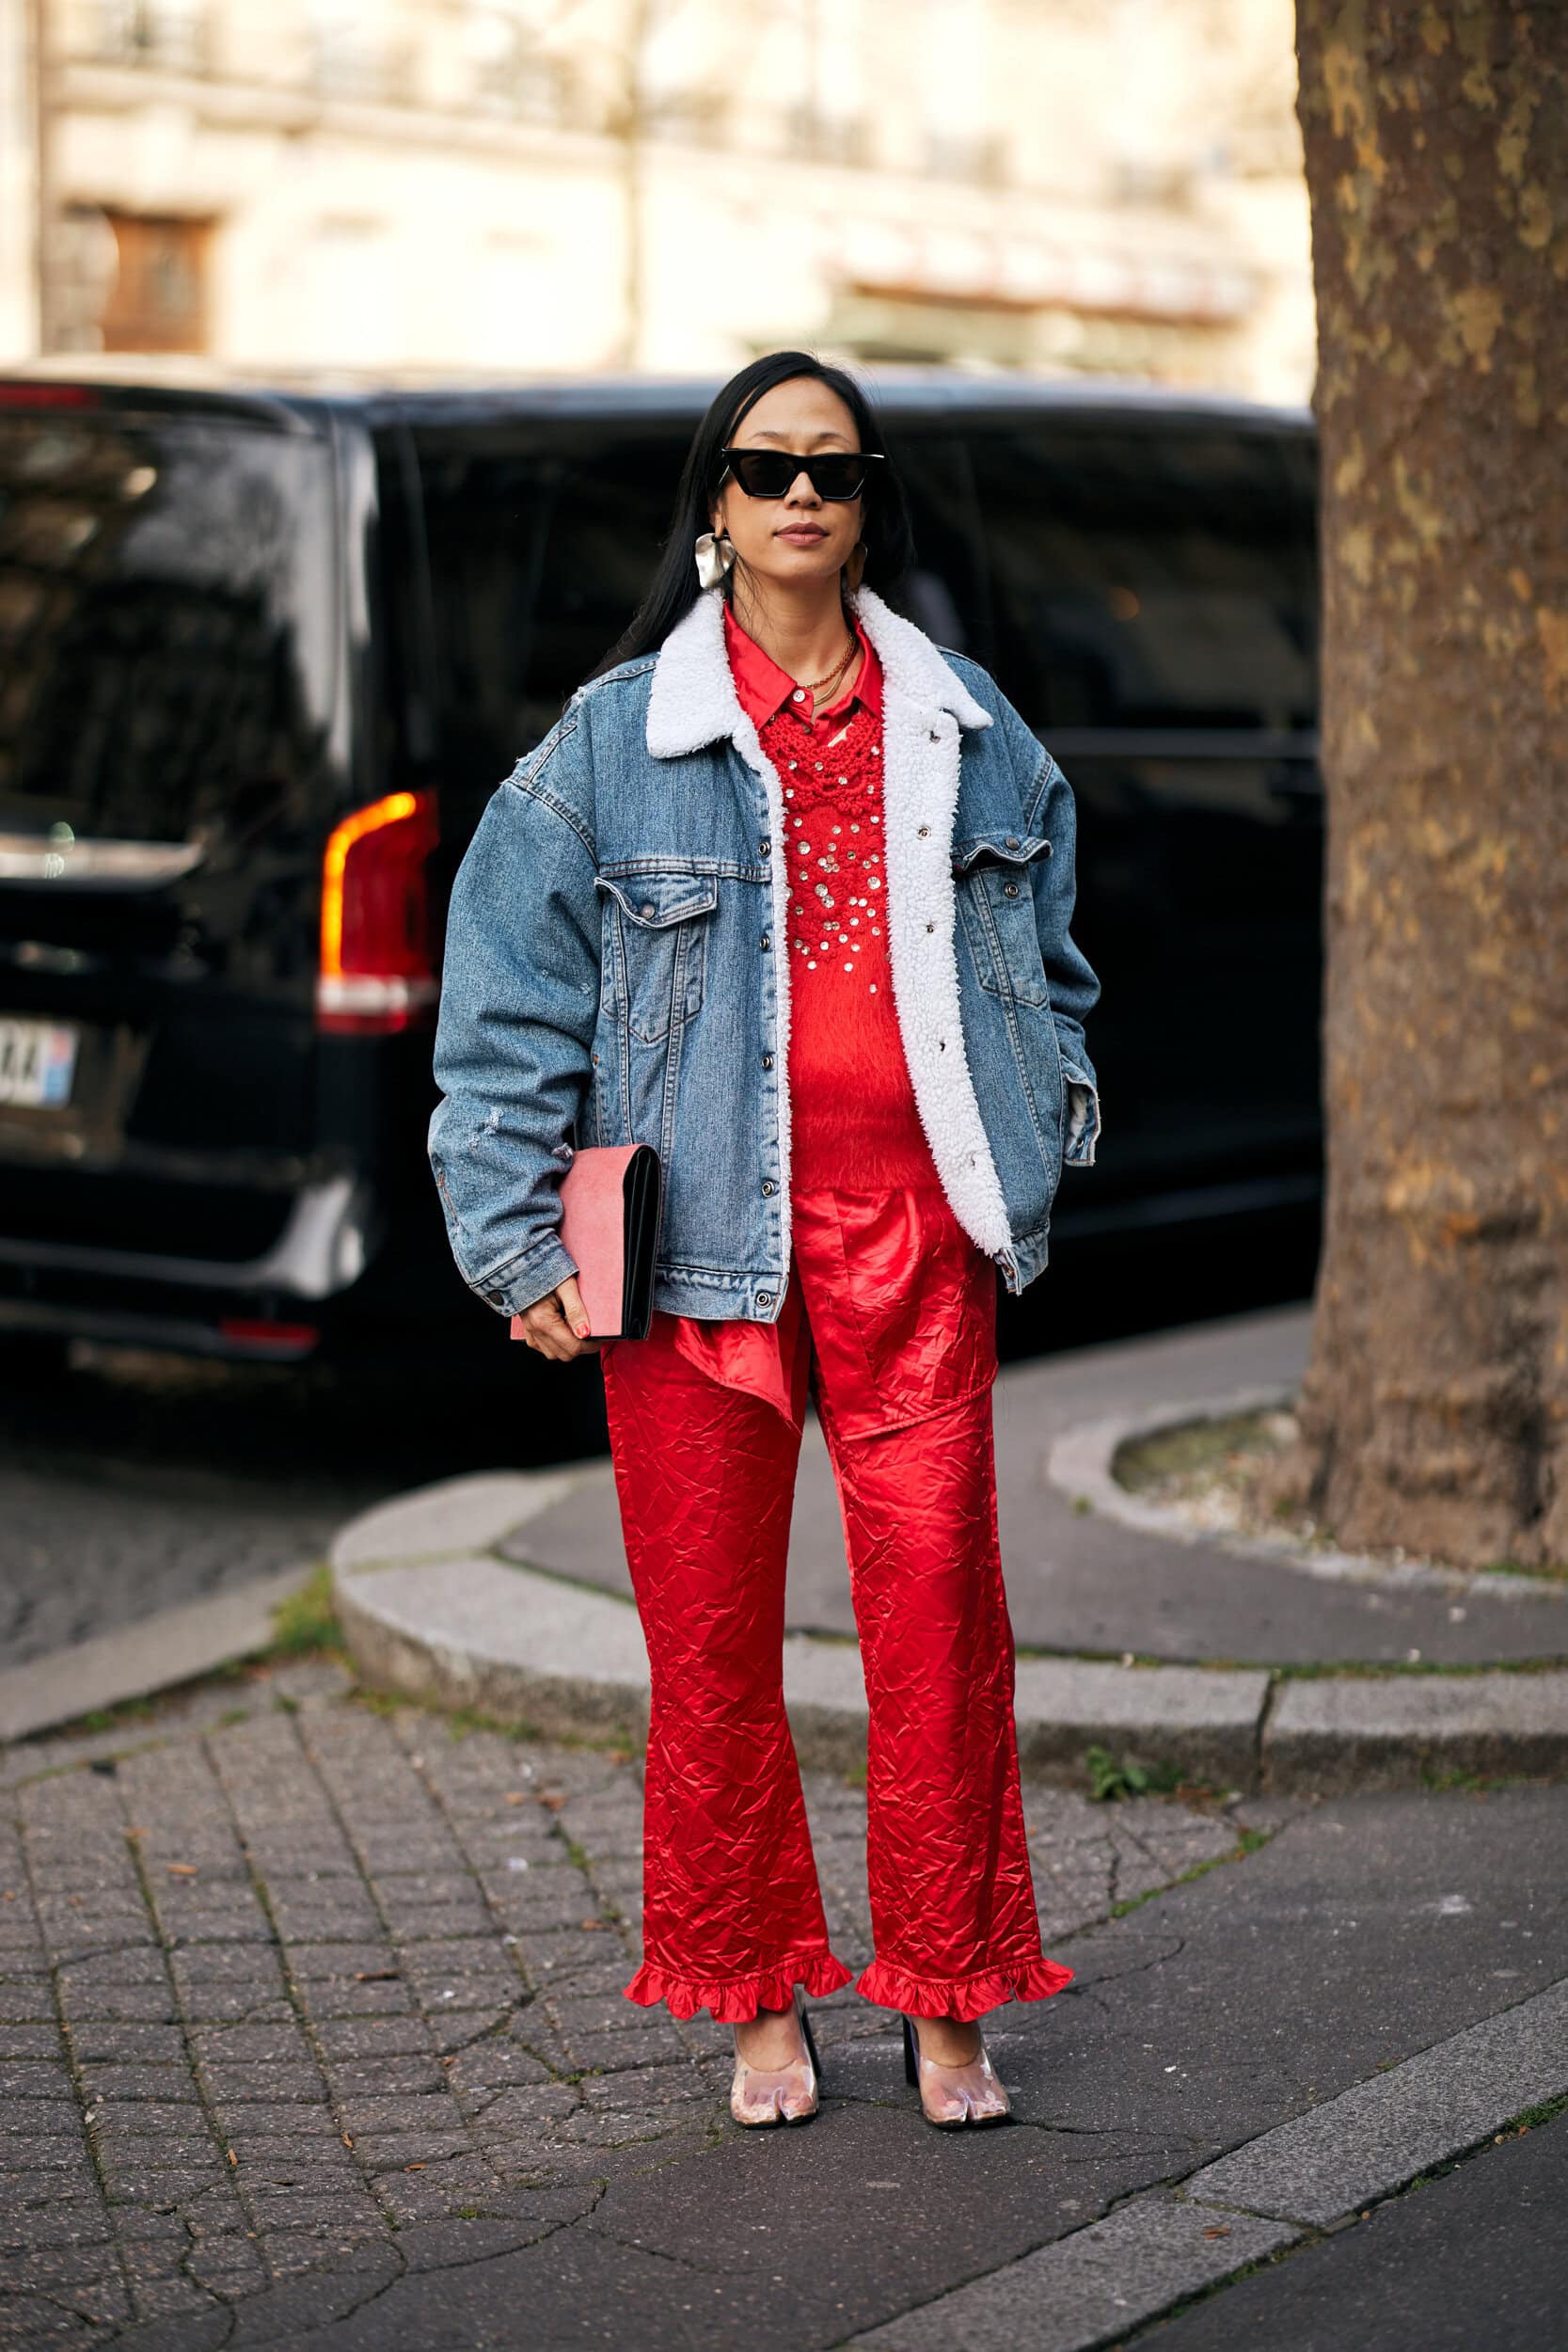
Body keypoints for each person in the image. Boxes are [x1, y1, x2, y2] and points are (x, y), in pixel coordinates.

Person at [429, 351, 1102, 2132]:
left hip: (914, 1240)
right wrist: (516, 1240)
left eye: (835, 466)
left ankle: (948, 1997)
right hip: (694, 1254)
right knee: (711, 1645)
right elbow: (502, 1005)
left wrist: (1052, 1111)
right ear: (713, 503)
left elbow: (1054, 951)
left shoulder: (961, 720)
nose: (801, 492)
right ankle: (752, 2001)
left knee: (939, 1621)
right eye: (763, 463)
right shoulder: (610, 744)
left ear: (868, 499)